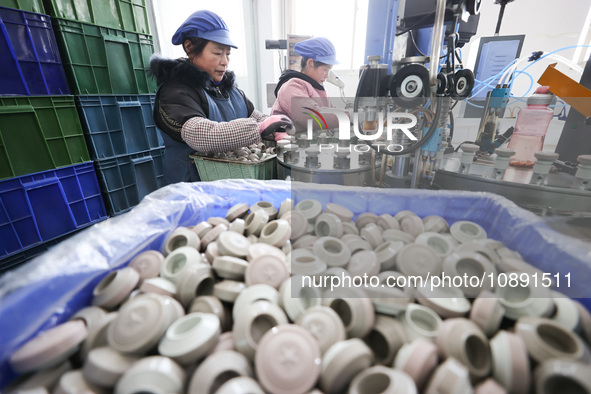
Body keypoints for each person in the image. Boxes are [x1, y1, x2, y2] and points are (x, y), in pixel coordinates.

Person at [150, 10, 292, 185]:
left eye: (228, 54)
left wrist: (276, 126)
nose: (225, 61)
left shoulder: (229, 89)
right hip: (192, 187)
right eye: (218, 53)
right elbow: (201, 135)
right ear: (189, 47)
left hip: (230, 182)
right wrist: (259, 129)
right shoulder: (175, 92)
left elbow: (256, 117)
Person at [271, 37, 340, 132]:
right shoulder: (292, 86)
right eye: (325, 69)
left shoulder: (318, 89)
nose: (327, 75)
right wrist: (348, 116)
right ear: (310, 63)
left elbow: (331, 111)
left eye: (329, 70)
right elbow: (309, 117)